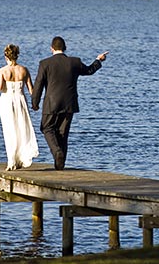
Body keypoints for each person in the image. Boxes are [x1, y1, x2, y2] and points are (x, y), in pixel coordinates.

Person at [31, 36, 108, 170]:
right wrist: (98, 60)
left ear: (51, 48)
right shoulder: (74, 62)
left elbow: (38, 85)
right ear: (65, 48)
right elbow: (89, 70)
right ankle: (60, 165)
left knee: (47, 128)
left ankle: (57, 152)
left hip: (51, 103)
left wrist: (35, 102)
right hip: (69, 104)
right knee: (63, 133)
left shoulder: (45, 63)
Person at [0, 44, 39, 170]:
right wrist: (35, 103)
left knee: (9, 130)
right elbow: (32, 90)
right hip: (20, 100)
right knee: (21, 128)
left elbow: (0, 88)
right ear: (17, 55)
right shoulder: (24, 70)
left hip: (7, 101)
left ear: (6, 55)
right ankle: (20, 158)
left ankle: (11, 161)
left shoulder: (3, 71)